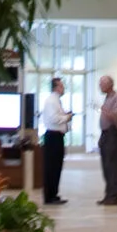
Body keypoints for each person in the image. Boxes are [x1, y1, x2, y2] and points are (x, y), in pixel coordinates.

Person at [39, 76, 71, 205]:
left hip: (57, 136)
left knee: (57, 167)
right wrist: (66, 118)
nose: (63, 88)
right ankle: (49, 196)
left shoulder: (56, 100)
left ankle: (54, 194)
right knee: (51, 167)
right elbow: (53, 119)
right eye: (61, 86)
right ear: (56, 87)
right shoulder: (51, 101)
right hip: (53, 136)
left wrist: (65, 116)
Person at [97, 73, 117, 207]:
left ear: (110, 85)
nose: (100, 86)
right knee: (106, 166)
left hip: (113, 134)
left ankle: (114, 195)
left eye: (102, 84)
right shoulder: (107, 98)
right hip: (105, 134)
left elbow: (116, 116)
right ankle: (108, 194)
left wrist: (105, 110)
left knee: (113, 165)